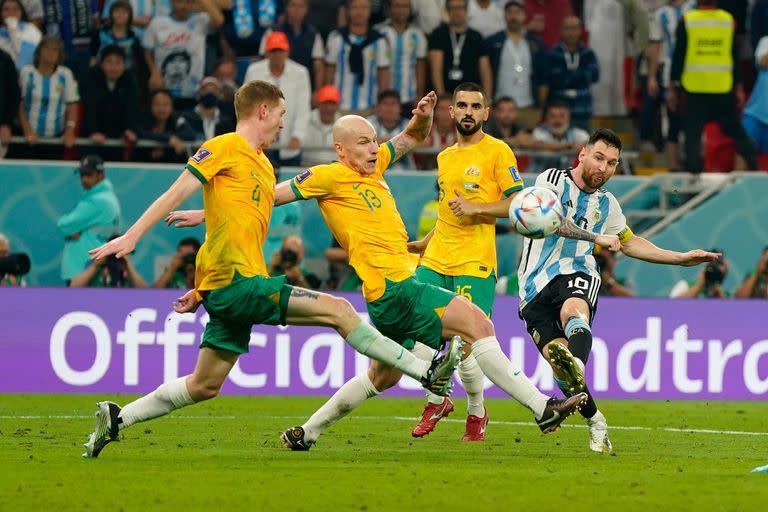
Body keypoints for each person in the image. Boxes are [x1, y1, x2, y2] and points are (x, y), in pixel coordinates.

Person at [82, 80, 460, 459]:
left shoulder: (262, 165)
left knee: (204, 385)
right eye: (280, 113)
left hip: (226, 285)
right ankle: (425, 372)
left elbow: (234, 225)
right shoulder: (223, 146)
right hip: (240, 284)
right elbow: (175, 191)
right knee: (340, 311)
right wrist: (131, 236)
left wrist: (201, 290)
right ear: (262, 110)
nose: (283, 123)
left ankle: (118, 417)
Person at [274, 90, 587, 451]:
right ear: (341, 149)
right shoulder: (325, 175)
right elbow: (271, 195)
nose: (374, 148)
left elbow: (411, 137)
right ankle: (540, 408)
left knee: (382, 375)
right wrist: (212, 212)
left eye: (374, 140)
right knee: (477, 325)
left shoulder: (374, 166)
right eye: (363, 143)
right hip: (398, 288)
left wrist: (424, 114)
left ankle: (306, 431)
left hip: (389, 291)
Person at [405, 82, 606, 442]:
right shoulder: (445, 157)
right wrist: (427, 240)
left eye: (475, 106)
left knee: (468, 346)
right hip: (437, 257)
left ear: (486, 113)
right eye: (462, 105)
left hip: (475, 262)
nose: (468, 111)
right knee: (418, 336)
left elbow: (519, 205)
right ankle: (437, 399)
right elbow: (449, 210)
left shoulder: (498, 152)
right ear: (451, 112)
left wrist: (478, 208)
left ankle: (474, 410)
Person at [517, 128, 720, 452]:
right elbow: (553, 222)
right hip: (532, 286)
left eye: (612, 163)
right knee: (560, 371)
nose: (604, 168)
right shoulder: (552, 179)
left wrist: (679, 259)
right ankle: (596, 420)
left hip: (577, 271)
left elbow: (629, 242)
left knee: (574, 310)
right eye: (599, 158)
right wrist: (597, 238)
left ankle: (577, 365)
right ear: (582, 154)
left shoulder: (607, 205)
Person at [668, 0, 757, 173]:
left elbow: (679, 56)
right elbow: (734, 56)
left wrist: (672, 86)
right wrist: (738, 87)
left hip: (695, 88)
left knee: (692, 135)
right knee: (735, 130)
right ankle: (755, 164)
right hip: (722, 88)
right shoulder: (728, 20)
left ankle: (693, 178)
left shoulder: (688, 20)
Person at [244, 31, 311, 167]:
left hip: (290, 142)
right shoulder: (254, 71)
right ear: (267, 53)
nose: (277, 55)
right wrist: (255, 133)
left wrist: (298, 135)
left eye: (280, 51)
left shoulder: (300, 73)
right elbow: (247, 105)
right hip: (261, 141)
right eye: (273, 51)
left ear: (287, 52)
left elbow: (303, 108)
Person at [57, 155, 121, 284]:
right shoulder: (108, 197)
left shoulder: (97, 201)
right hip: (92, 266)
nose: (84, 179)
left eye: (89, 175)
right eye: (82, 175)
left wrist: (73, 228)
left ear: (100, 175)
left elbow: (64, 225)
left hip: (84, 268)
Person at [428, 0, 492, 98]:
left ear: (466, 11)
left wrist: (487, 99)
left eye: (460, 8)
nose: (456, 12)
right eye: (453, 8)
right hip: (446, 96)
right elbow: (436, 70)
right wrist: (442, 98)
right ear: (447, 11)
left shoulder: (476, 37)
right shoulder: (438, 35)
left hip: (472, 96)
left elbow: (485, 71)